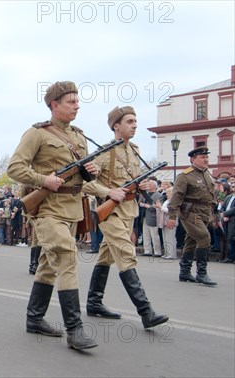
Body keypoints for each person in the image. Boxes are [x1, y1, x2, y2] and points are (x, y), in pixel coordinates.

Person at [7, 81, 98, 350]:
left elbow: (86, 176)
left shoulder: (80, 136)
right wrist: (42, 179)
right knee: (68, 255)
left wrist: (92, 171)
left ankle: (34, 319)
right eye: (71, 101)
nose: (77, 105)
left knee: (49, 264)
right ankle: (75, 329)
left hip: (71, 209)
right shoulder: (37, 134)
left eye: (78, 101)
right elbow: (14, 167)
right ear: (54, 105)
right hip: (47, 210)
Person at [82, 105, 168, 329]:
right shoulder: (105, 153)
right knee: (126, 254)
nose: (135, 125)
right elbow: (84, 183)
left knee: (106, 257)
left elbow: (137, 180)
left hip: (129, 211)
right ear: (116, 126)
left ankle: (94, 302)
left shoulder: (135, 150)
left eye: (135, 121)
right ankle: (146, 311)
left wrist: (147, 184)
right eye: (129, 122)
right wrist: (107, 192)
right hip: (110, 213)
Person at [166, 146, 217, 286]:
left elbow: (211, 195)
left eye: (206, 157)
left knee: (191, 241)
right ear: (193, 159)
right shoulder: (185, 176)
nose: (205, 159)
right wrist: (171, 216)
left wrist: (213, 212)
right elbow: (177, 197)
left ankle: (185, 272)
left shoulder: (207, 173)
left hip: (204, 212)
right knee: (204, 237)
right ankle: (202, 273)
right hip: (190, 212)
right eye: (202, 157)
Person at [139, 180, 163, 256]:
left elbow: (159, 206)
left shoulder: (159, 195)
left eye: (150, 184)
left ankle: (157, 251)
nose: (148, 185)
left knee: (154, 235)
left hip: (153, 217)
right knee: (145, 234)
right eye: (148, 183)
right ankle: (147, 251)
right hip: (144, 216)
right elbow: (139, 202)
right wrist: (141, 204)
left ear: (154, 186)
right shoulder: (145, 193)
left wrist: (149, 206)